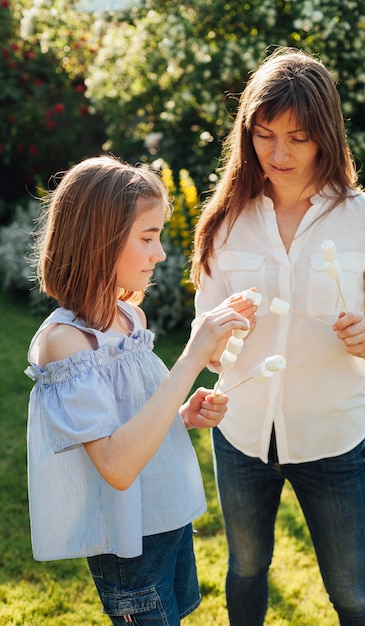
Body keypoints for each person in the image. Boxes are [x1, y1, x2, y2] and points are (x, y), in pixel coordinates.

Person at [190, 47, 365, 626]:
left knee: (351, 591)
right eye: (265, 135)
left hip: (332, 441)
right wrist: (220, 329)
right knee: (244, 570)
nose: (279, 153)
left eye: (298, 137)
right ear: (248, 134)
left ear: (326, 136)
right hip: (240, 437)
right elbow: (203, 336)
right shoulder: (226, 220)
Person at [25, 155, 252, 626]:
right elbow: (116, 466)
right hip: (129, 546)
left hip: (166, 518)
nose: (161, 253)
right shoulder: (66, 343)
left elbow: (133, 421)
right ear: (98, 240)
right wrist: (191, 358)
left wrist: (181, 417)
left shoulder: (131, 318)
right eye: (147, 238)